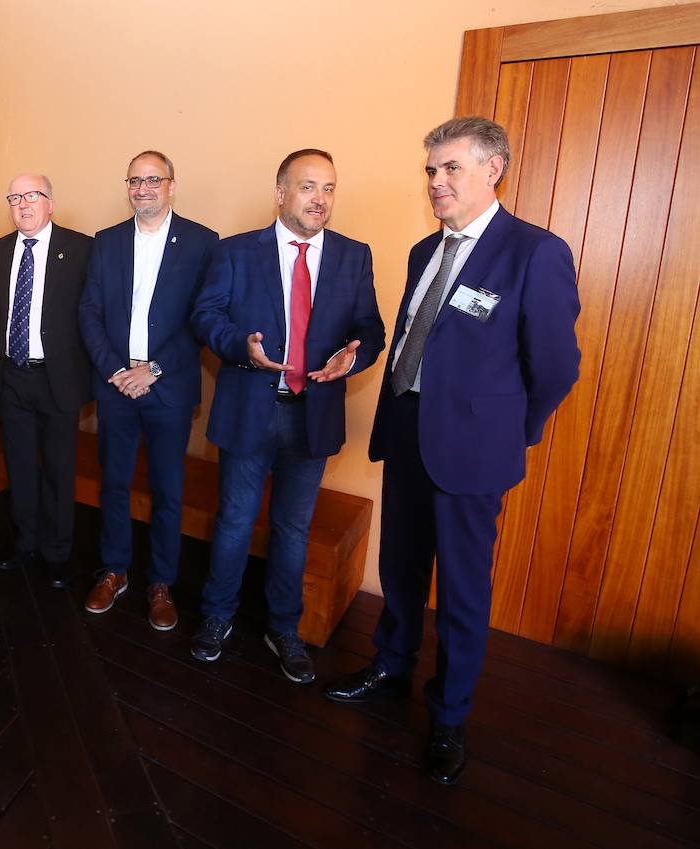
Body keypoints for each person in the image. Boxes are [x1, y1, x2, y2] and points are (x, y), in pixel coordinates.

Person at [325, 117, 580, 785]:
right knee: (401, 566)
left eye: (451, 169)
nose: (436, 182)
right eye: (431, 171)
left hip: (474, 451)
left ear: (492, 170)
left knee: (463, 589)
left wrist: (510, 429)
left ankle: (449, 715)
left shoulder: (534, 252)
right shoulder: (423, 251)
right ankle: (391, 665)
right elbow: (419, 337)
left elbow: (556, 366)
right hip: (407, 433)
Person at [189, 149, 385, 679]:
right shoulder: (235, 252)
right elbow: (206, 317)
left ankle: (285, 629)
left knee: (293, 528)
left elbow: (371, 326)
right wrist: (239, 347)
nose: (319, 199)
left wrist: (354, 354)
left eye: (328, 188)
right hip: (251, 407)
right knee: (233, 520)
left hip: (311, 414)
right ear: (281, 193)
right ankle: (217, 618)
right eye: (308, 187)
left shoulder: (353, 255)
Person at [78, 151, 218, 627]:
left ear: (171, 185)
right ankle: (115, 570)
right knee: (114, 482)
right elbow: (89, 313)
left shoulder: (201, 242)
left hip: (168, 387)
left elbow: (202, 321)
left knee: (168, 489)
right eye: (135, 180)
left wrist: (152, 369)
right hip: (116, 384)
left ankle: (161, 582)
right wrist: (117, 370)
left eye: (152, 180)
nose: (143, 189)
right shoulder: (107, 241)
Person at [0, 174, 94, 588]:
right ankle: (25, 543)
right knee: (19, 466)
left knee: (58, 468)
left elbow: (94, 312)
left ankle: (57, 552)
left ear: (51, 203)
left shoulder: (81, 249)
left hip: (58, 378)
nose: (23, 205)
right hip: (11, 375)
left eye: (32, 196)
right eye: (15, 197)